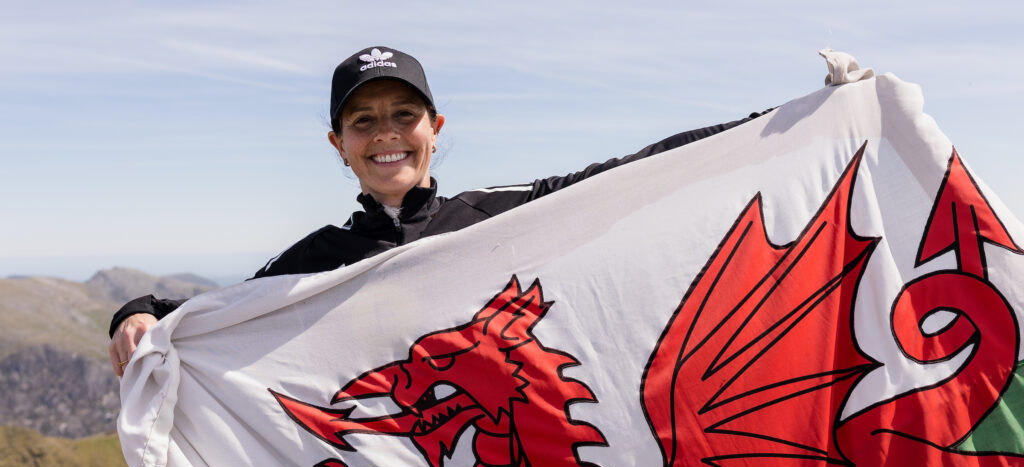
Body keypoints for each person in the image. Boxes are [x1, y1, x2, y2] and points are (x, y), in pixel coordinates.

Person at [109, 46, 766, 376]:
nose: (386, 133)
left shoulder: (500, 213)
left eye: (404, 115)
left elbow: (633, 172)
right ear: (339, 146)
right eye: (363, 121)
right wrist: (136, 312)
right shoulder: (315, 259)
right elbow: (221, 316)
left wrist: (773, 126)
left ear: (435, 126)